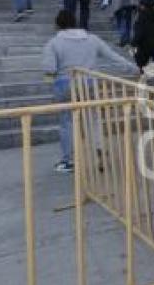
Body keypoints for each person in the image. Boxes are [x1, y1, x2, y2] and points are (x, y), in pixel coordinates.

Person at [42, 9, 137, 173]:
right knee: (93, 119)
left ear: (58, 24)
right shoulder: (92, 39)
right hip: (89, 82)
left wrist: (51, 84)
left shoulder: (53, 43)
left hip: (65, 83)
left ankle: (67, 160)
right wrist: (133, 68)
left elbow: (49, 69)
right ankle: (99, 148)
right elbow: (112, 56)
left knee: (67, 123)